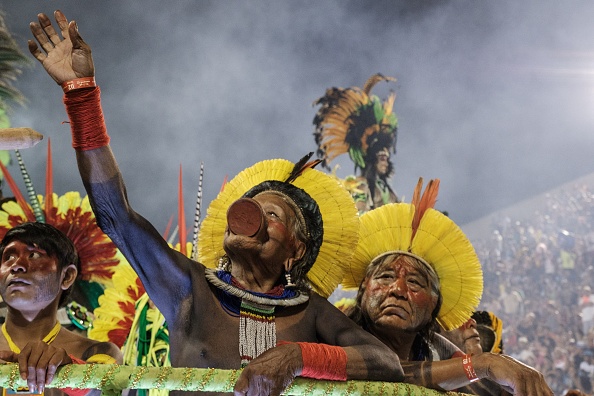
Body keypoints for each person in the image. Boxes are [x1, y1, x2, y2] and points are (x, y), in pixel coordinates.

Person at [27, 10, 404, 396]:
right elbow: (116, 216)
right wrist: (82, 95)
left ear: (296, 250)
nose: (249, 217)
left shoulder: (311, 312)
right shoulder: (190, 288)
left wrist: (297, 357)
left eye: (271, 215)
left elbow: (386, 364)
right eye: (249, 208)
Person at [341, 178, 553, 395]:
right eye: (385, 277)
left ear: (433, 305)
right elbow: (383, 369)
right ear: (363, 288)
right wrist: (484, 363)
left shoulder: (436, 348)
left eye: (414, 282)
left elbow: (490, 389)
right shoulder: (334, 330)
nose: (398, 290)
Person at [0, 222, 122, 395]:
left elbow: (99, 389)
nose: (16, 265)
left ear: (67, 276)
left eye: (34, 255)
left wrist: (69, 369)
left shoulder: (101, 352)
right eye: (8, 257)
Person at [313, 73, 400, 214]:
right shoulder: (360, 185)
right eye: (382, 158)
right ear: (372, 160)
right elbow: (358, 214)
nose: (386, 162)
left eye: (387, 159)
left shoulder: (388, 191)